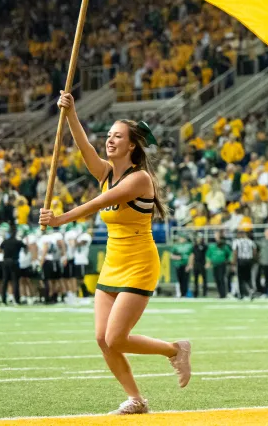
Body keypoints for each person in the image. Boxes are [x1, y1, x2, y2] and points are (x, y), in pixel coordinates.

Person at [38, 91, 191, 414]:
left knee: (117, 338)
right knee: (102, 339)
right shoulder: (106, 173)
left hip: (139, 263)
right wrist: (71, 113)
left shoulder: (140, 179)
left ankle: (175, 349)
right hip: (113, 263)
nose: (110, 140)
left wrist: (60, 219)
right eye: (109, 135)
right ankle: (136, 399)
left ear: (132, 145)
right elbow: (85, 148)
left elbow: (98, 203)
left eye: (117, 136)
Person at [231, 230, 256, 300]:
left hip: (241, 260)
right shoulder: (250, 241)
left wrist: (233, 263)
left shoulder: (236, 241)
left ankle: (241, 294)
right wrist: (253, 261)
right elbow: (254, 251)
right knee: (248, 278)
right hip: (249, 260)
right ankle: (251, 290)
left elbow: (235, 252)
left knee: (240, 279)